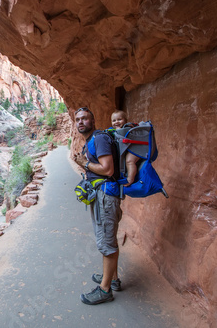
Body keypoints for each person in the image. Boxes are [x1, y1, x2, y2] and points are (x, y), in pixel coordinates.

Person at [72, 107, 123, 305]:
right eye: (78, 119)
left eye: (85, 119)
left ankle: (105, 289)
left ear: (93, 121)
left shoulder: (99, 139)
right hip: (101, 195)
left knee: (106, 241)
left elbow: (107, 169)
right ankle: (114, 279)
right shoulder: (91, 141)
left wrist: (85, 163)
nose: (81, 122)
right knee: (109, 238)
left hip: (105, 197)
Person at [111, 110, 140, 186]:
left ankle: (130, 179)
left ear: (125, 120)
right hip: (128, 149)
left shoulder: (128, 127)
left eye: (119, 119)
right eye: (114, 120)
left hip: (135, 149)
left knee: (129, 161)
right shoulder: (114, 131)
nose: (116, 122)